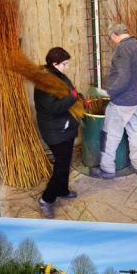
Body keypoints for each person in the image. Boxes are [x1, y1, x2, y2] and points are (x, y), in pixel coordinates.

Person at [92, 23, 137, 178]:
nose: (113, 41)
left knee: (111, 135)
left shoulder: (122, 49)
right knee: (134, 133)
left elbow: (123, 77)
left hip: (122, 102)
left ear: (115, 35)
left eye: (112, 38)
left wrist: (108, 92)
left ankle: (107, 169)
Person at [35, 47, 80, 219]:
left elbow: (70, 92)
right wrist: (72, 97)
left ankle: (62, 189)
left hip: (65, 127)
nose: (67, 67)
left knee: (65, 162)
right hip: (55, 131)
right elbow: (53, 108)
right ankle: (46, 199)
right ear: (55, 64)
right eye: (65, 64)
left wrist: (79, 98)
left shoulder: (59, 75)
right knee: (61, 166)